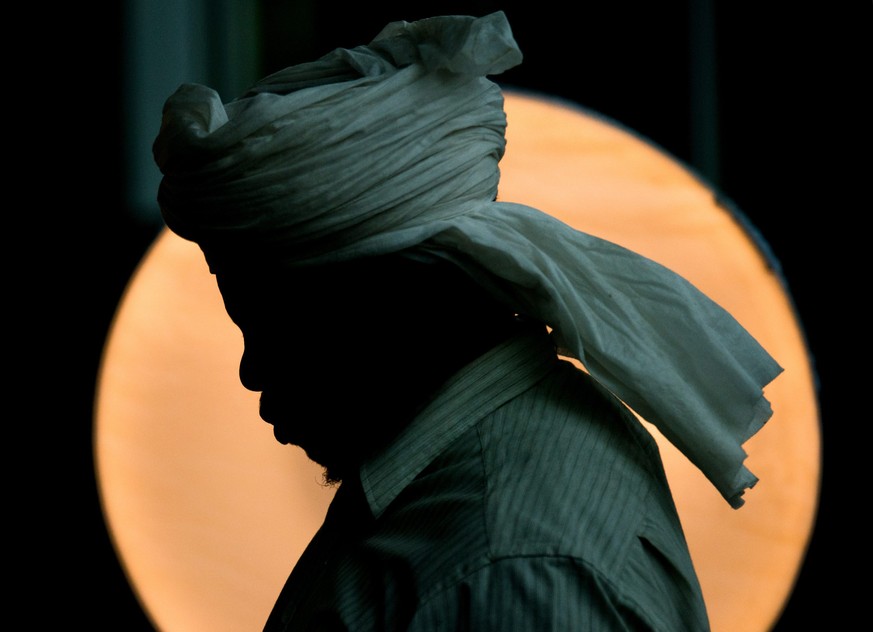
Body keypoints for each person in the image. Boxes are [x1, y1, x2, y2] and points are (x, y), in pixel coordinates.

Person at [153, 11, 783, 631]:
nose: (251, 373)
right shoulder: (459, 495)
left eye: (274, 327)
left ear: (401, 295)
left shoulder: (505, 569)